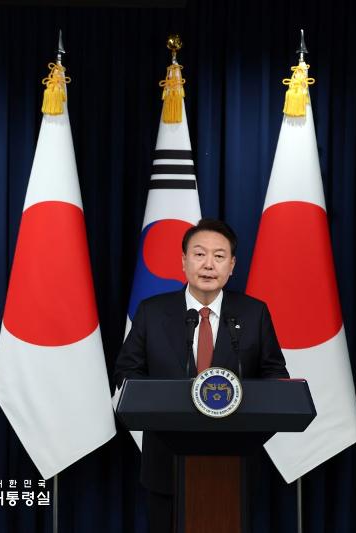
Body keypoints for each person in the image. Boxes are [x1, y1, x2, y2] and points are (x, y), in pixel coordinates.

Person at [113, 219, 288, 533]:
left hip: (236, 464)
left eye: (219, 256)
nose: (209, 264)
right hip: (165, 465)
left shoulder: (253, 313)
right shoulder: (152, 312)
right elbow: (126, 373)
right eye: (199, 254)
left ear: (232, 265)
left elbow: (275, 376)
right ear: (183, 261)